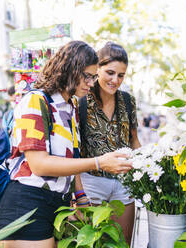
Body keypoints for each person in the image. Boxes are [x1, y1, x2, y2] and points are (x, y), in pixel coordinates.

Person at [0, 41, 133, 248]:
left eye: (94, 77)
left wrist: (80, 195)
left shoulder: (71, 106)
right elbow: (39, 165)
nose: (92, 83)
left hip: (57, 204)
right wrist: (98, 163)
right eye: (87, 76)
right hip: (26, 205)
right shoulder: (35, 101)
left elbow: (71, 157)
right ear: (69, 70)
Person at [80, 42, 141, 245]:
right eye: (110, 72)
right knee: (93, 241)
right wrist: (77, 192)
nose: (115, 80)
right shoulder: (81, 100)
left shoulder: (128, 101)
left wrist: (143, 170)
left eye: (121, 75)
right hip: (91, 180)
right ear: (97, 69)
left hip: (124, 183)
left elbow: (133, 140)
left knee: (121, 242)